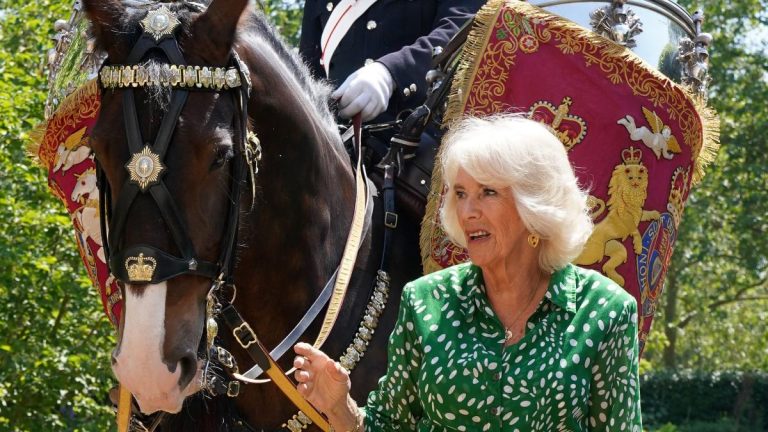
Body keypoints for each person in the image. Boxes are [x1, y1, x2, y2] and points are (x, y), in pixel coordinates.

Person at [293, 114, 643, 431]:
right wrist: (340, 407)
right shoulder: (426, 301)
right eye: (460, 193)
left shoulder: (606, 311)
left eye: (487, 192)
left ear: (535, 206)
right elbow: (387, 425)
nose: (468, 211)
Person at [299, 0, 484, 124]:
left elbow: (464, 29)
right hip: (335, 137)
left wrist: (392, 72)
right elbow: (307, 69)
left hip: (415, 137)